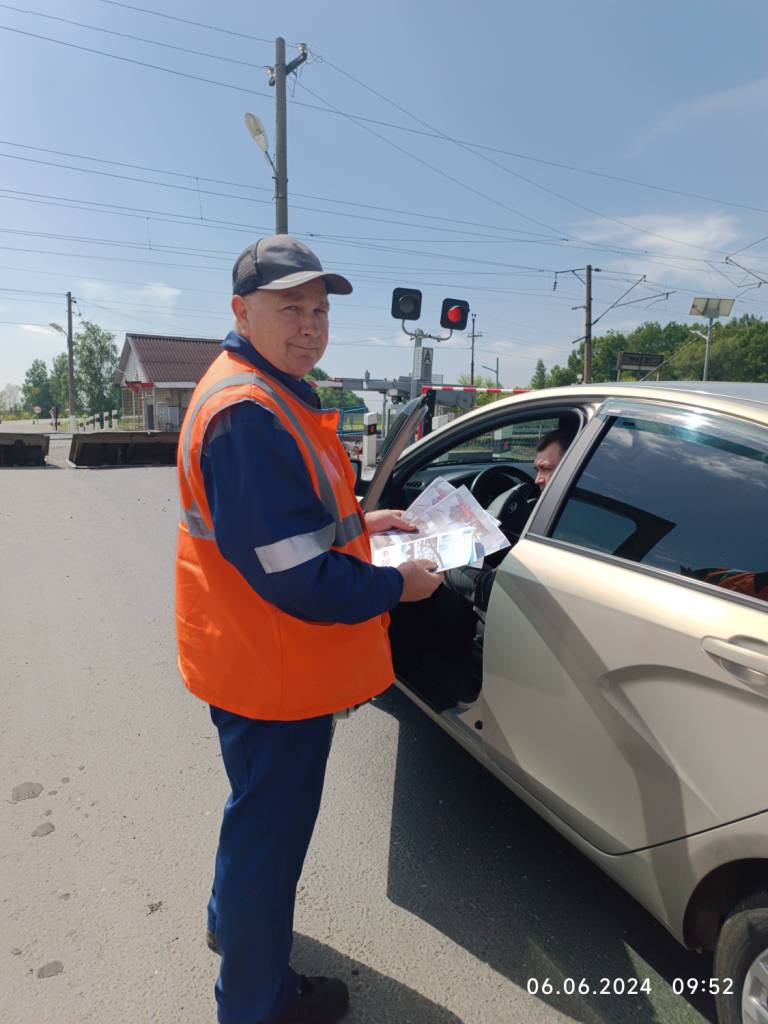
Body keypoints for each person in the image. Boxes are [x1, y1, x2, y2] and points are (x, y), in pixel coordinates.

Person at [175, 235, 441, 1024]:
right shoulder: (248, 413)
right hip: (274, 674)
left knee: (253, 816)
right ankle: (258, 1004)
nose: (310, 325)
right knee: (271, 843)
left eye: (319, 310)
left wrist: (366, 521)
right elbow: (298, 577)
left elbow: (293, 528)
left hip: (250, 658)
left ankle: (231, 925)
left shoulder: (262, 389)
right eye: (290, 308)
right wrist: (399, 582)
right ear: (240, 311)